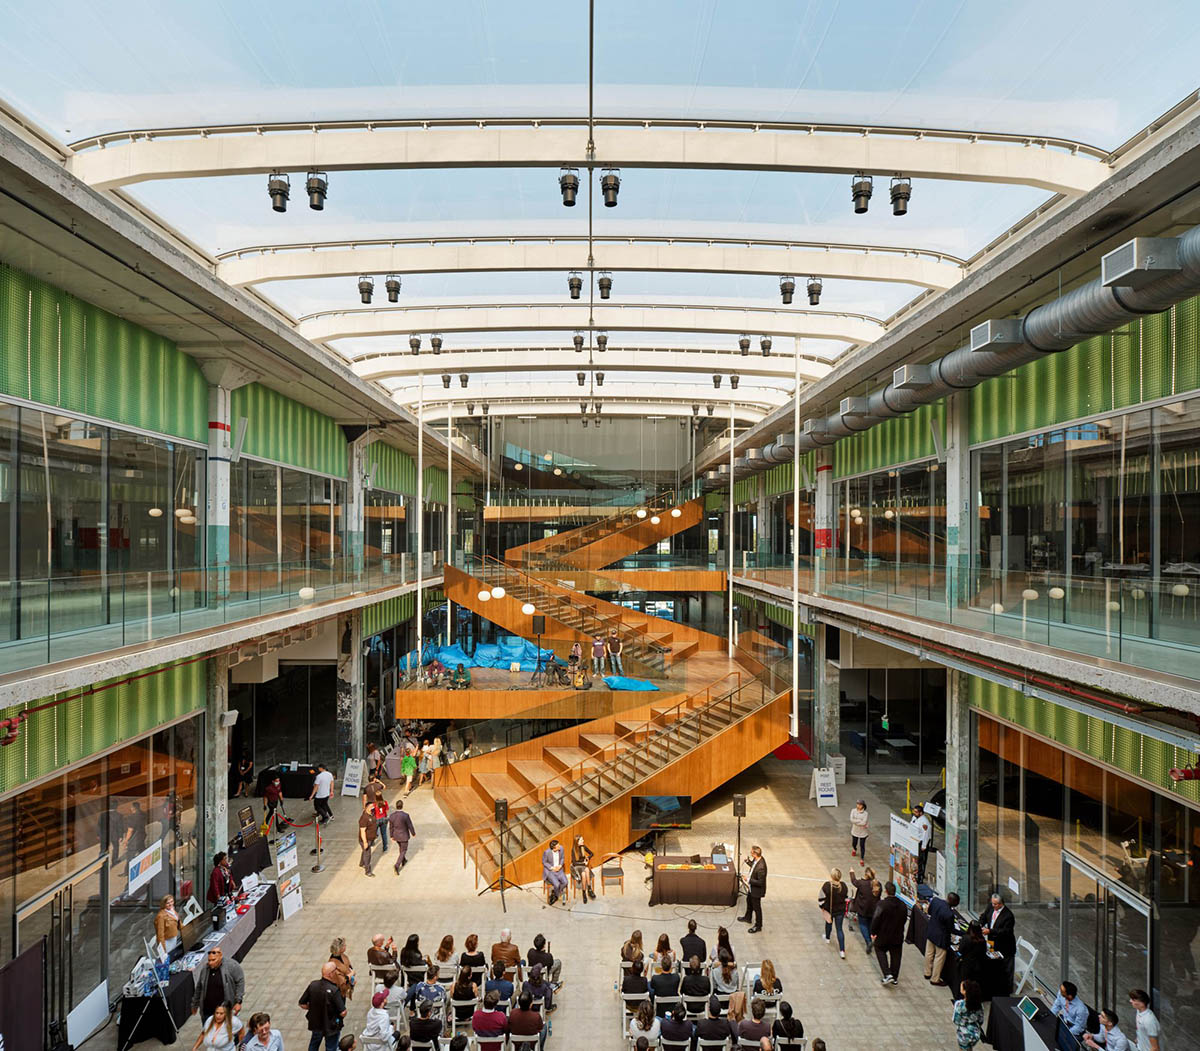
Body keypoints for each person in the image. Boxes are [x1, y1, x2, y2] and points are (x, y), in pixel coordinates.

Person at [300, 961, 347, 1051]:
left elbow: (302, 1004)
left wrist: (312, 1007)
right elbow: (343, 1012)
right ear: (330, 974)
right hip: (331, 1026)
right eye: (335, 970)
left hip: (316, 1024)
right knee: (331, 1047)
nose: (337, 972)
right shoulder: (334, 990)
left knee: (314, 1045)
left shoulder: (313, 985)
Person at [871, 880, 908, 985]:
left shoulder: (882, 904)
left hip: (883, 935)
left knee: (879, 950)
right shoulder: (902, 905)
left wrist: (873, 932)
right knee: (896, 955)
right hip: (897, 935)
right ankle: (894, 977)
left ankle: (887, 974)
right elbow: (904, 919)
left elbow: (876, 919)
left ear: (886, 891)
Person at [192, 947, 244, 1019]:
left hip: (225, 1010)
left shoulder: (232, 966)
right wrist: (195, 1004)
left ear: (220, 957)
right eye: (209, 960)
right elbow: (199, 987)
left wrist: (238, 1002)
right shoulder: (205, 969)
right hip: (208, 1011)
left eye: (213, 960)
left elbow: (240, 982)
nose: (210, 963)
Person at [924, 891, 960, 986]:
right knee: (939, 958)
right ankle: (935, 979)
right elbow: (951, 929)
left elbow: (929, 912)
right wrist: (964, 933)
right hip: (941, 938)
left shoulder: (935, 901)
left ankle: (927, 973)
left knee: (929, 953)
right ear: (954, 903)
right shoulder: (949, 914)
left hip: (931, 932)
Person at [818, 866, 849, 958]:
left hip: (830, 910)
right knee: (839, 929)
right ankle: (842, 950)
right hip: (840, 911)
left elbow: (821, 898)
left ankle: (827, 938)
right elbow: (846, 898)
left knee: (828, 923)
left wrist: (822, 907)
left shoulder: (827, 886)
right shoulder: (843, 885)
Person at [849, 868, 880, 954]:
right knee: (870, 924)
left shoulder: (862, 883)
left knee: (862, 925)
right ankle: (871, 939)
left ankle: (868, 941)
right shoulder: (878, 885)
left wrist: (852, 872)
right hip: (873, 909)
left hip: (863, 909)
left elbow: (854, 881)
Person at [952, 980, 985, 1051]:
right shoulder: (979, 1005)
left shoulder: (959, 1004)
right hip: (975, 1033)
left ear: (965, 992)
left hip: (963, 1034)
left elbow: (956, 1020)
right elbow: (981, 1020)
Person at [982, 892, 1016, 960]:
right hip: (991, 940)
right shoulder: (991, 906)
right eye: (992, 903)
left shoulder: (1008, 916)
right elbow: (984, 916)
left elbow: (1005, 931)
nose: (993, 905)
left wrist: (990, 931)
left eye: (995, 904)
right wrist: (980, 924)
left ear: (1001, 904)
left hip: (1003, 945)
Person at [741, 845, 767, 933]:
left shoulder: (761, 867)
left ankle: (758, 926)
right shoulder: (757, 860)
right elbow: (753, 867)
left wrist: (747, 879)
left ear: (755, 854)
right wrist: (748, 861)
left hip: (756, 890)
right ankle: (748, 917)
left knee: (757, 908)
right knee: (749, 902)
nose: (750, 853)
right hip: (752, 888)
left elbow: (760, 882)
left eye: (751, 852)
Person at [387, 799, 416, 873]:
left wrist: (391, 835)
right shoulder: (405, 815)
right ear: (402, 806)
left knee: (401, 848)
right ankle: (397, 865)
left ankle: (404, 860)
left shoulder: (392, 816)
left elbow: (391, 827)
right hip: (404, 835)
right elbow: (410, 825)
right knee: (403, 850)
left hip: (396, 835)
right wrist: (413, 833)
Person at [957, 922, 988, 986]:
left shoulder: (966, 938)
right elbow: (984, 952)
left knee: (964, 983)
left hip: (966, 965)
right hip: (977, 966)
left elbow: (960, 950)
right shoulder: (982, 940)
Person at [910, 803, 933, 883]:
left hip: (921, 842)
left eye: (916, 812)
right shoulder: (915, 817)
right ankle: (915, 873)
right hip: (914, 840)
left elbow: (926, 835)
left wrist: (924, 846)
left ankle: (920, 877)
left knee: (921, 860)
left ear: (921, 813)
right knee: (915, 859)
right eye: (914, 811)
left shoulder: (925, 822)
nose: (914, 813)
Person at [329, 937, 355, 1001]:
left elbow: (349, 966)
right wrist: (351, 974)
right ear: (340, 948)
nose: (346, 946)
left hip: (345, 987)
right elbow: (339, 980)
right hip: (338, 991)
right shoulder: (333, 963)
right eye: (344, 945)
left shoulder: (343, 956)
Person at [542, 838, 567, 904]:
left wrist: (560, 866)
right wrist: (552, 868)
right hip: (551, 871)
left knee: (565, 882)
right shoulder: (547, 852)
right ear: (554, 848)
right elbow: (544, 862)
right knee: (557, 884)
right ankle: (556, 896)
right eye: (558, 846)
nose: (560, 846)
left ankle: (555, 892)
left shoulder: (561, 848)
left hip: (559, 870)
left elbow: (562, 858)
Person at [571, 833, 595, 901]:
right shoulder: (573, 850)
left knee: (584, 873)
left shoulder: (583, 847)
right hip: (576, 867)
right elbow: (574, 863)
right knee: (586, 870)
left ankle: (585, 891)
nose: (583, 841)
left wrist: (587, 858)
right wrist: (584, 863)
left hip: (583, 866)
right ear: (577, 842)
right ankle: (589, 890)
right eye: (581, 840)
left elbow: (592, 853)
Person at [358, 796, 378, 877]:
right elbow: (362, 831)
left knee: (365, 851)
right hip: (366, 839)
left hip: (371, 838)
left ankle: (361, 863)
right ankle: (368, 871)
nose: (372, 808)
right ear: (366, 808)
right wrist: (365, 842)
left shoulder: (372, 814)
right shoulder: (364, 818)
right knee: (367, 854)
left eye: (373, 806)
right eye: (370, 806)